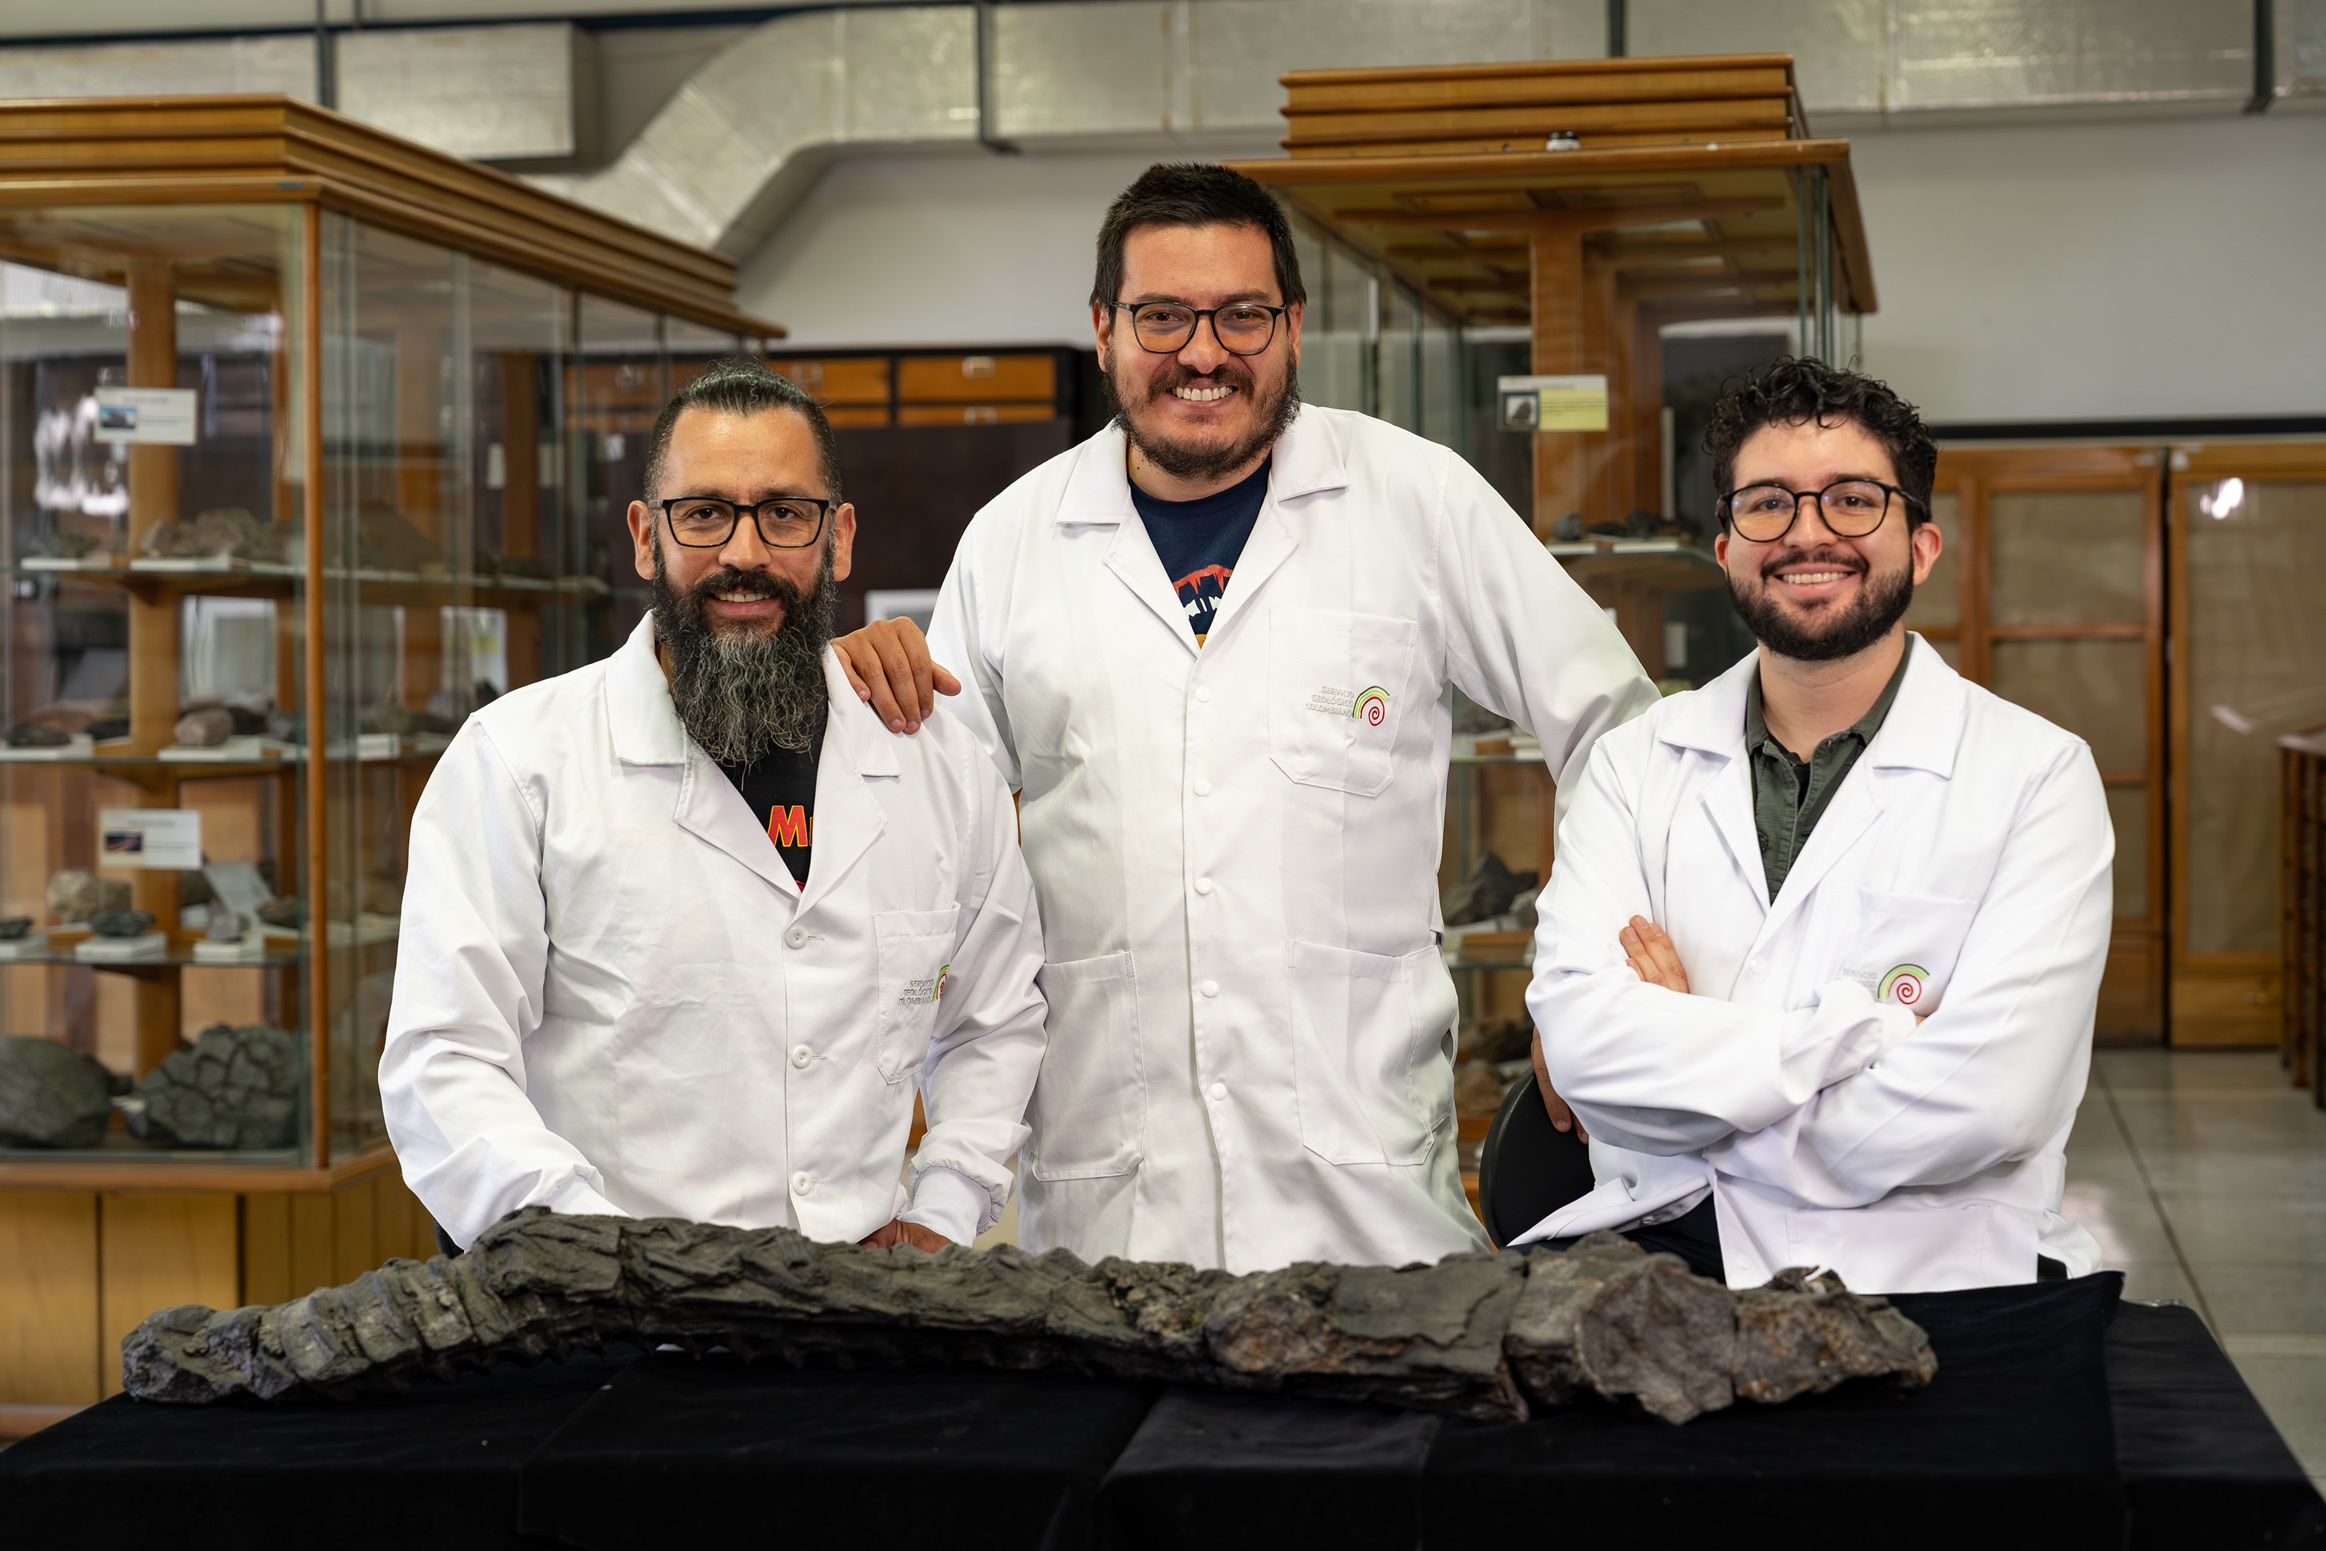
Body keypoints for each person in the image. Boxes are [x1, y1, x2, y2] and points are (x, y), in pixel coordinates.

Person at [833, 163, 1659, 1273]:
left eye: (1242, 315)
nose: (1205, 351)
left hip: (1365, 1203)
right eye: (1163, 315)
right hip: (1108, 1205)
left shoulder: (1416, 500)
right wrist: (844, 708)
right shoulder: (1014, 542)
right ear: (1102, 327)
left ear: (1294, 327)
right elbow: (938, 856)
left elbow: (1619, 729)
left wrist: (1586, 989)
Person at [381, 359, 1047, 1253]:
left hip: (863, 1317)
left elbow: (995, 1021)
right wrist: (600, 1260)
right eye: (704, 513)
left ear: (838, 537)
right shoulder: (517, 762)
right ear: (645, 537)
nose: (744, 553)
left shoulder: (940, 768)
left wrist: (941, 1211)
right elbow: (444, 1062)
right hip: (608, 1320)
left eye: (784, 513)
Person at [1520, 357, 2111, 1293]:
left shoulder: (2037, 775)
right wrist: (1853, 1039)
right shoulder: (1635, 766)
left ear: (1920, 544)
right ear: (1725, 550)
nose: (1807, 533)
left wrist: (1692, 1056)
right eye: (1767, 504)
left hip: (1938, 1274)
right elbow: (1590, 1054)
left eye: (1851, 500)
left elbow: (1992, 1102)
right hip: (1660, 1252)